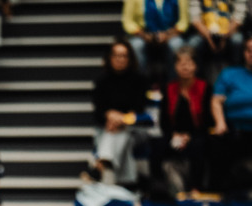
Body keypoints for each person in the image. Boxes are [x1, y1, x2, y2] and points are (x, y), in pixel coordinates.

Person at [88, 39, 149, 186]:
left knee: (120, 133)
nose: (120, 59)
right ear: (110, 58)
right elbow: (98, 113)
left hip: (135, 128)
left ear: (130, 58)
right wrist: (110, 116)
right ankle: (122, 179)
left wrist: (121, 119)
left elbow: (140, 110)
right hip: (108, 128)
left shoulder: (139, 80)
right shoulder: (101, 81)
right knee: (118, 136)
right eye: (116, 55)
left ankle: (103, 161)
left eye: (124, 55)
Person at [150, 46, 210, 195]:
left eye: (189, 63)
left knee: (200, 145)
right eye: (181, 63)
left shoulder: (205, 88)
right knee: (157, 145)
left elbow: (208, 121)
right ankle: (159, 187)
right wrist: (174, 135)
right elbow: (164, 121)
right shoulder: (168, 88)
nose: (185, 67)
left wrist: (189, 137)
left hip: (197, 134)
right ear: (175, 67)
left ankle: (197, 187)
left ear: (195, 66)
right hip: (175, 135)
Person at [208, 34, 252, 197]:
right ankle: (219, 193)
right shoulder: (230, 74)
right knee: (216, 141)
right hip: (235, 129)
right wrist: (220, 123)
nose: (251, 53)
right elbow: (216, 101)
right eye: (248, 50)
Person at [122, 0, 189, 79]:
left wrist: (167, 35)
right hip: (143, 34)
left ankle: (173, 82)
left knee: (176, 44)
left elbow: (184, 22)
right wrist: (145, 35)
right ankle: (141, 81)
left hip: (171, 34)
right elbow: (128, 22)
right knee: (136, 45)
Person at [187, 0, 247, 76]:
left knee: (237, 40)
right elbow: (195, 18)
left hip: (230, 30)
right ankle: (198, 80)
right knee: (194, 43)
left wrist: (224, 37)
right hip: (204, 31)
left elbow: (239, 16)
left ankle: (236, 77)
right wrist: (209, 39)